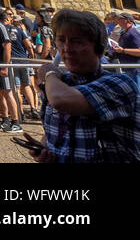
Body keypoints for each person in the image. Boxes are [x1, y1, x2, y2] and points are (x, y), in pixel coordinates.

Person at [33, 9, 139, 163]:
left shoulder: (120, 85)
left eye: (77, 41)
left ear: (99, 47)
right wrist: (44, 150)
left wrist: (50, 74)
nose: (67, 48)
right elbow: (53, 133)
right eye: (61, 40)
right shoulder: (57, 85)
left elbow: (61, 100)